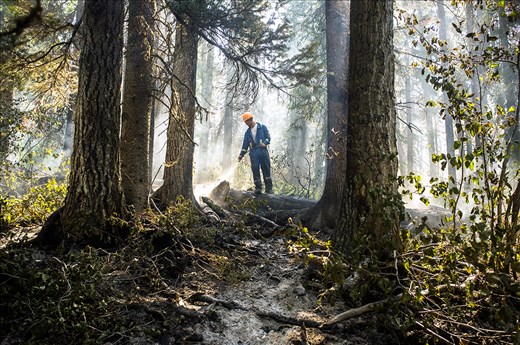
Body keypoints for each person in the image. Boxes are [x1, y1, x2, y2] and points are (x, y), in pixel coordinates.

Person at [238, 112, 273, 194]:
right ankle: (258, 188)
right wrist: (241, 155)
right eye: (245, 122)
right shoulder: (247, 133)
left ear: (251, 119)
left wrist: (264, 143)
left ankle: (269, 189)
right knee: (255, 170)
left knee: (266, 169)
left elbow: (268, 137)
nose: (246, 124)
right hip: (254, 153)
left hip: (263, 151)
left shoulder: (262, 127)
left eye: (246, 122)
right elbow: (245, 146)